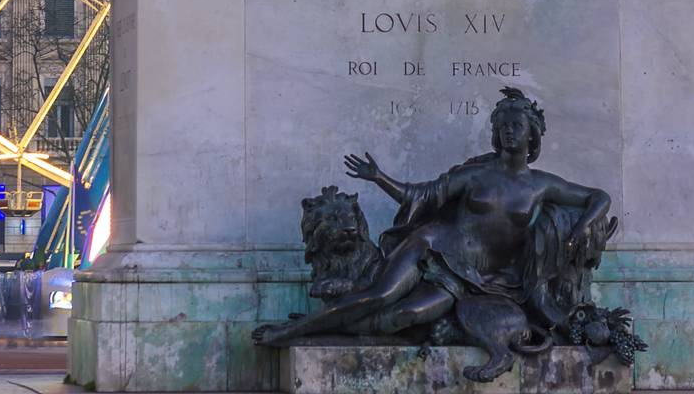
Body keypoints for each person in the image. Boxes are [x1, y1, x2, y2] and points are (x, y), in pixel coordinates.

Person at [253, 89, 612, 352]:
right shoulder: (477, 173)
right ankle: (294, 332)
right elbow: (422, 195)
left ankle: (327, 327)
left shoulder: (542, 185)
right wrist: (379, 177)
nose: (508, 131)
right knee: (381, 295)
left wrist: (582, 227)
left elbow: (599, 197)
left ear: (532, 134)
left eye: (516, 125)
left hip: (472, 277)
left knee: (405, 314)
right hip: (433, 245)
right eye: (502, 125)